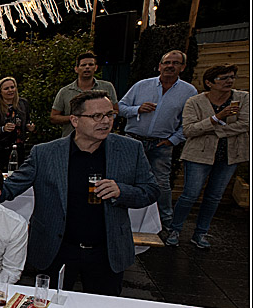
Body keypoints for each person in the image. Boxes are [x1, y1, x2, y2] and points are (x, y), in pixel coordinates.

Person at [1, 91, 159, 296]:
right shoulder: (45, 153)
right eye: (96, 116)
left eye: (109, 115)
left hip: (106, 252)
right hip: (56, 250)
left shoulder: (131, 149)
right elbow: (11, 186)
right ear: (75, 120)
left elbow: (151, 190)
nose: (105, 122)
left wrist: (122, 191)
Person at [164, 65, 249, 249]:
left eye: (232, 77)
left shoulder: (242, 98)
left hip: (229, 155)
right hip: (198, 155)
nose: (229, 81)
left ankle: (200, 233)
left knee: (214, 197)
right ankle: (175, 229)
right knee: (190, 194)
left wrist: (214, 130)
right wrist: (216, 118)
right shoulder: (194, 102)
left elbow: (245, 124)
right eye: (223, 78)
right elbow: (189, 130)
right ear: (209, 83)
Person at [117, 49, 198, 230]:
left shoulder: (189, 91)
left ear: (183, 67)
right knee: (125, 179)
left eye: (175, 63)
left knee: (161, 184)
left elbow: (189, 122)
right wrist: (137, 109)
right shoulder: (141, 86)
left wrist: (173, 140)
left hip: (161, 144)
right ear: (160, 66)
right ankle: (121, 219)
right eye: (167, 62)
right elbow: (120, 107)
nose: (170, 66)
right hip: (133, 140)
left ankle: (165, 224)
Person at [50, 51, 118, 137]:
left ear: (96, 67)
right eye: (83, 65)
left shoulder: (107, 87)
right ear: (76, 69)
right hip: (73, 140)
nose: (87, 67)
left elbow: (116, 110)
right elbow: (54, 117)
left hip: (101, 140)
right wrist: (77, 118)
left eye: (91, 64)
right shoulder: (65, 91)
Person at [0, 76, 35, 171]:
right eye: (6, 88)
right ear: (0, 92)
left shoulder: (23, 104)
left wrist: (29, 127)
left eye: (12, 87)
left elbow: (28, 120)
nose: (10, 90)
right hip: (0, 149)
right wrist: (3, 129)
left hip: (19, 148)